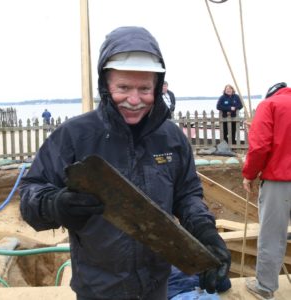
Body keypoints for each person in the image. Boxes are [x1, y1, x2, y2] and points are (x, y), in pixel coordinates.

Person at [19, 26, 231, 300]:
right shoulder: (74, 136)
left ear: (157, 86)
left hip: (156, 286)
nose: (134, 100)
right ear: (105, 85)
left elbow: (187, 195)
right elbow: (30, 193)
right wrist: (55, 204)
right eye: (123, 88)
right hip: (97, 288)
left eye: (144, 88)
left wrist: (206, 233)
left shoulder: (171, 138)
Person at [242, 82, 291, 300]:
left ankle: (265, 287)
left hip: (280, 180)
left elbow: (260, 146)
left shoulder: (269, 105)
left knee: (273, 235)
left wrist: (249, 174)